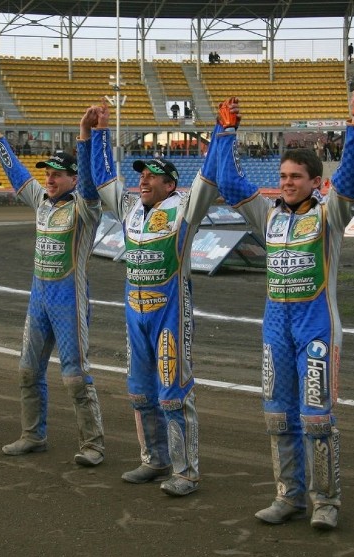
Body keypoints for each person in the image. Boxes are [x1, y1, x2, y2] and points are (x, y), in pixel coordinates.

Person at [213, 85, 354, 530]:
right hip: (275, 329)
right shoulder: (270, 215)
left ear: (315, 182)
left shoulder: (330, 214)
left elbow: (353, 181)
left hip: (318, 327)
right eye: (283, 176)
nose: (287, 183)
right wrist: (226, 132)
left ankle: (325, 501)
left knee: (317, 418)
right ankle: (288, 496)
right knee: (276, 416)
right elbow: (228, 184)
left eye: (296, 177)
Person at [89, 102, 219, 496]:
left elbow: (210, 180)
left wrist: (222, 134)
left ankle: (186, 470)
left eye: (153, 176)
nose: (144, 179)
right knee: (139, 392)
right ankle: (154, 459)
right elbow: (102, 179)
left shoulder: (184, 209)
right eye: (142, 174)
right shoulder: (130, 209)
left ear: (171, 185)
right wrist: (97, 133)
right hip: (134, 315)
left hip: (171, 315)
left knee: (173, 393)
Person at [0, 109, 106, 467]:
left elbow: (94, 181)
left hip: (70, 300)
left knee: (75, 376)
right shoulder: (41, 201)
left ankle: (93, 444)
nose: (49, 179)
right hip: (39, 299)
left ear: (73, 178)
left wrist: (84, 133)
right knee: (26, 371)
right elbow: (16, 173)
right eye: (47, 174)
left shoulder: (85, 207)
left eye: (57, 174)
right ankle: (33, 435)